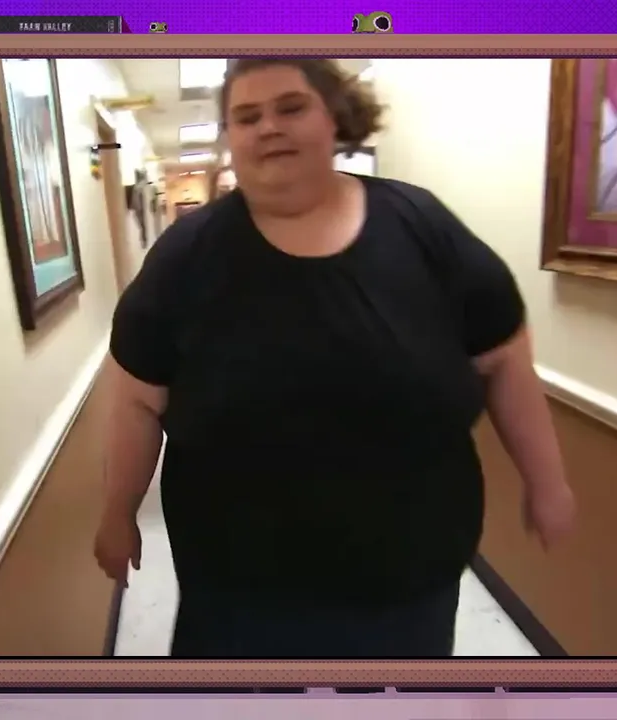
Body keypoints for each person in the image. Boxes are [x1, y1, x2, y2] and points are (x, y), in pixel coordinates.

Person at [94, 59, 576, 658]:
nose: (269, 127)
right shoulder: (185, 260)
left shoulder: (420, 228)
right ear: (230, 137)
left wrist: (546, 480)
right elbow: (137, 402)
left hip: (409, 581)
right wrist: (117, 514)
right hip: (238, 592)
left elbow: (504, 358)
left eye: (291, 107)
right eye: (247, 116)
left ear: (334, 117)